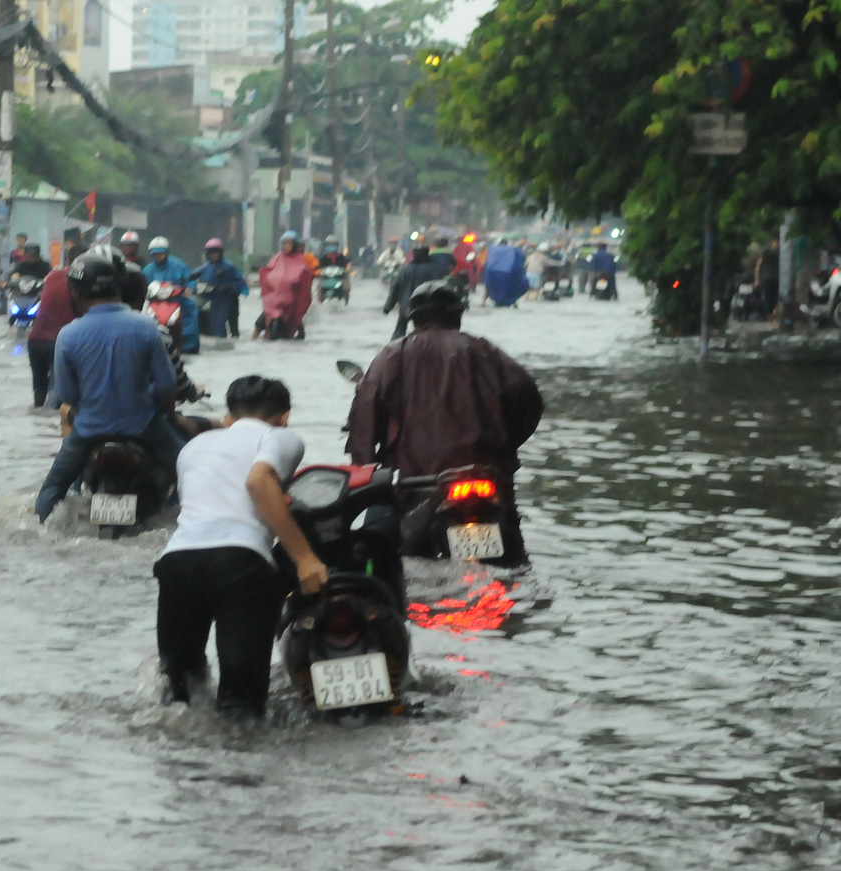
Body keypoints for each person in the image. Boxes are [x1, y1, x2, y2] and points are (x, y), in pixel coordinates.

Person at [155, 375, 329, 717]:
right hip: (240, 565)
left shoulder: (193, 447)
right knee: (242, 703)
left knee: (179, 692)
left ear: (230, 416)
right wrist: (305, 558)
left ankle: (176, 768)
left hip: (176, 563)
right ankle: (239, 767)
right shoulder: (280, 437)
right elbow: (258, 481)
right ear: (284, 416)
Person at [347, 281, 544, 566]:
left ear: (413, 318)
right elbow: (528, 397)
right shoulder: (483, 350)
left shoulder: (393, 355)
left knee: (374, 556)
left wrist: (365, 473)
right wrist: (503, 446)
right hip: (487, 475)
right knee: (515, 563)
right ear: (458, 315)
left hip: (415, 482)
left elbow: (364, 417)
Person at [35, 250, 181, 521]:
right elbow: (166, 386)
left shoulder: (68, 335)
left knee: (52, 488)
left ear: (76, 293)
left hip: (89, 429)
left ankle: (38, 529)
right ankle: (172, 518)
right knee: (191, 471)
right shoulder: (146, 326)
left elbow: (66, 396)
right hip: (142, 427)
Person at [26, 242, 80, 408]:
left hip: (34, 340)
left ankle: (37, 427)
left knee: (39, 391)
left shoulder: (53, 276)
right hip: (56, 343)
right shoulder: (79, 284)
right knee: (56, 397)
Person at [143, 235, 200, 352]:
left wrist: (189, 288)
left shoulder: (179, 265)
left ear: (166, 253)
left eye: (161, 254)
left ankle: (189, 343)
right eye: (155, 254)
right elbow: (141, 285)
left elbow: (191, 279)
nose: (158, 257)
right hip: (156, 302)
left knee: (191, 310)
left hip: (178, 300)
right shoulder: (147, 270)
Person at [255, 232, 314, 341]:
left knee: (296, 318)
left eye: (289, 243)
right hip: (275, 299)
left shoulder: (300, 260)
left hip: (290, 299)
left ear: (294, 244)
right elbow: (268, 272)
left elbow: (306, 275)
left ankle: (300, 333)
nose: (286, 246)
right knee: (259, 323)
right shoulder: (277, 258)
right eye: (284, 243)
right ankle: (253, 339)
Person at [384, 238, 444, 340]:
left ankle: (393, 350)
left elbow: (395, 289)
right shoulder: (434, 270)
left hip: (406, 307)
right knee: (427, 333)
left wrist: (388, 306)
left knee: (399, 330)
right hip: (425, 308)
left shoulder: (405, 269)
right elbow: (440, 290)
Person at [192, 238, 248, 339]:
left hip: (229, 301)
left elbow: (240, 283)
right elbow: (191, 281)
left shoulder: (229, 267)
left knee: (233, 330)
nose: (214, 254)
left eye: (216, 252)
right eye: (211, 252)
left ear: (220, 252)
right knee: (214, 328)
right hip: (211, 302)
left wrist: (228, 287)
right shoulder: (203, 269)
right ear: (207, 254)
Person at [117, 231, 149, 309]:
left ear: (136, 247)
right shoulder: (117, 262)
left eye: (131, 245)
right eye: (126, 245)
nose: (128, 248)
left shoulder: (143, 263)